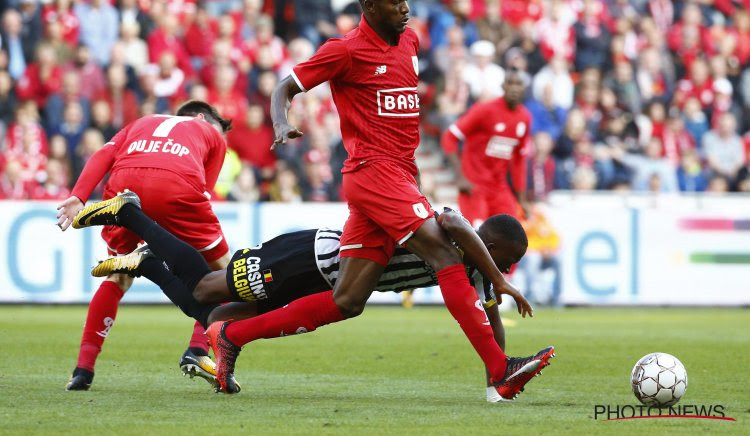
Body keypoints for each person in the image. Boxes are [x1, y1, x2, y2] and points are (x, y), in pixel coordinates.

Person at [211, 0, 552, 398]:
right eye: (395, 2)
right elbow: (285, 87)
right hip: (372, 171)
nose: (405, 9)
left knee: (347, 301)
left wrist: (415, 177)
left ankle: (232, 336)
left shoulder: (409, 41)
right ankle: (500, 369)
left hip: (399, 174)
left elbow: (403, 115)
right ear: (370, 7)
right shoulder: (345, 51)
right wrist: (281, 123)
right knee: (445, 252)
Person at [73, 190, 539, 402]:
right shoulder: (452, 237)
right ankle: (131, 215)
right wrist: (501, 278)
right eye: (508, 260)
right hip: (306, 258)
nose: (508, 270)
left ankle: (148, 263)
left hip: (321, 281)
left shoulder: (473, 271)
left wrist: (496, 384)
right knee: (203, 289)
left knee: (209, 311)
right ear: (492, 247)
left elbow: (487, 321)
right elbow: (454, 219)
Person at [55, 100, 232, 391]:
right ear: (202, 118)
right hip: (177, 186)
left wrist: (79, 195)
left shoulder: (142, 121)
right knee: (228, 276)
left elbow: (104, 153)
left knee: (118, 275)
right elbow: (204, 192)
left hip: (125, 182)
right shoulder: (211, 135)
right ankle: (198, 350)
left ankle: (82, 371)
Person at [441, 70, 532, 227]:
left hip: (499, 188)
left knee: (511, 235)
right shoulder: (485, 110)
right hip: (474, 186)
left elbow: (518, 160)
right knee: (478, 237)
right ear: (503, 86)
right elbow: (449, 137)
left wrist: (521, 199)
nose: (514, 88)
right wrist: (460, 177)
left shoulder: (524, 118)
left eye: (519, 84)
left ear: (525, 89)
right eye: (511, 83)